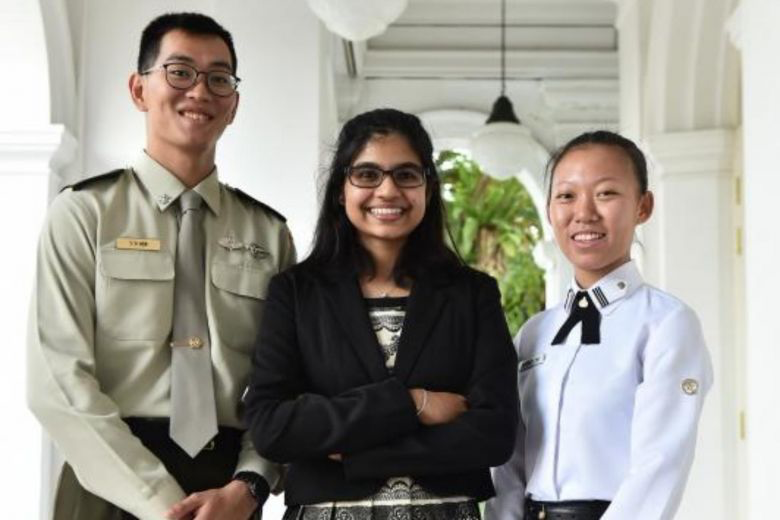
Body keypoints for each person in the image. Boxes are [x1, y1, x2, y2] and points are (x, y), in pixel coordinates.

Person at [27, 12, 295, 520]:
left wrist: (250, 486)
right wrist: (162, 504)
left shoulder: (269, 235)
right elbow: (57, 381)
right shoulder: (84, 214)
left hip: (226, 497)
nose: (200, 91)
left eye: (219, 79)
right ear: (139, 89)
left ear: (234, 105)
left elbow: (284, 383)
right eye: (180, 72)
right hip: (108, 488)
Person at [243, 108, 518, 519]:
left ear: (428, 188)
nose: (387, 191)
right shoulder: (297, 292)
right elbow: (272, 426)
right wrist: (411, 403)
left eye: (406, 174)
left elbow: (494, 433)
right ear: (341, 190)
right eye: (367, 174)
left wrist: (359, 454)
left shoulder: (471, 294)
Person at [486, 130, 713, 520]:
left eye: (606, 193)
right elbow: (510, 462)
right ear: (550, 210)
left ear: (643, 206)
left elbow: (659, 465)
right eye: (566, 196)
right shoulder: (535, 332)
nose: (584, 213)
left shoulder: (666, 324)